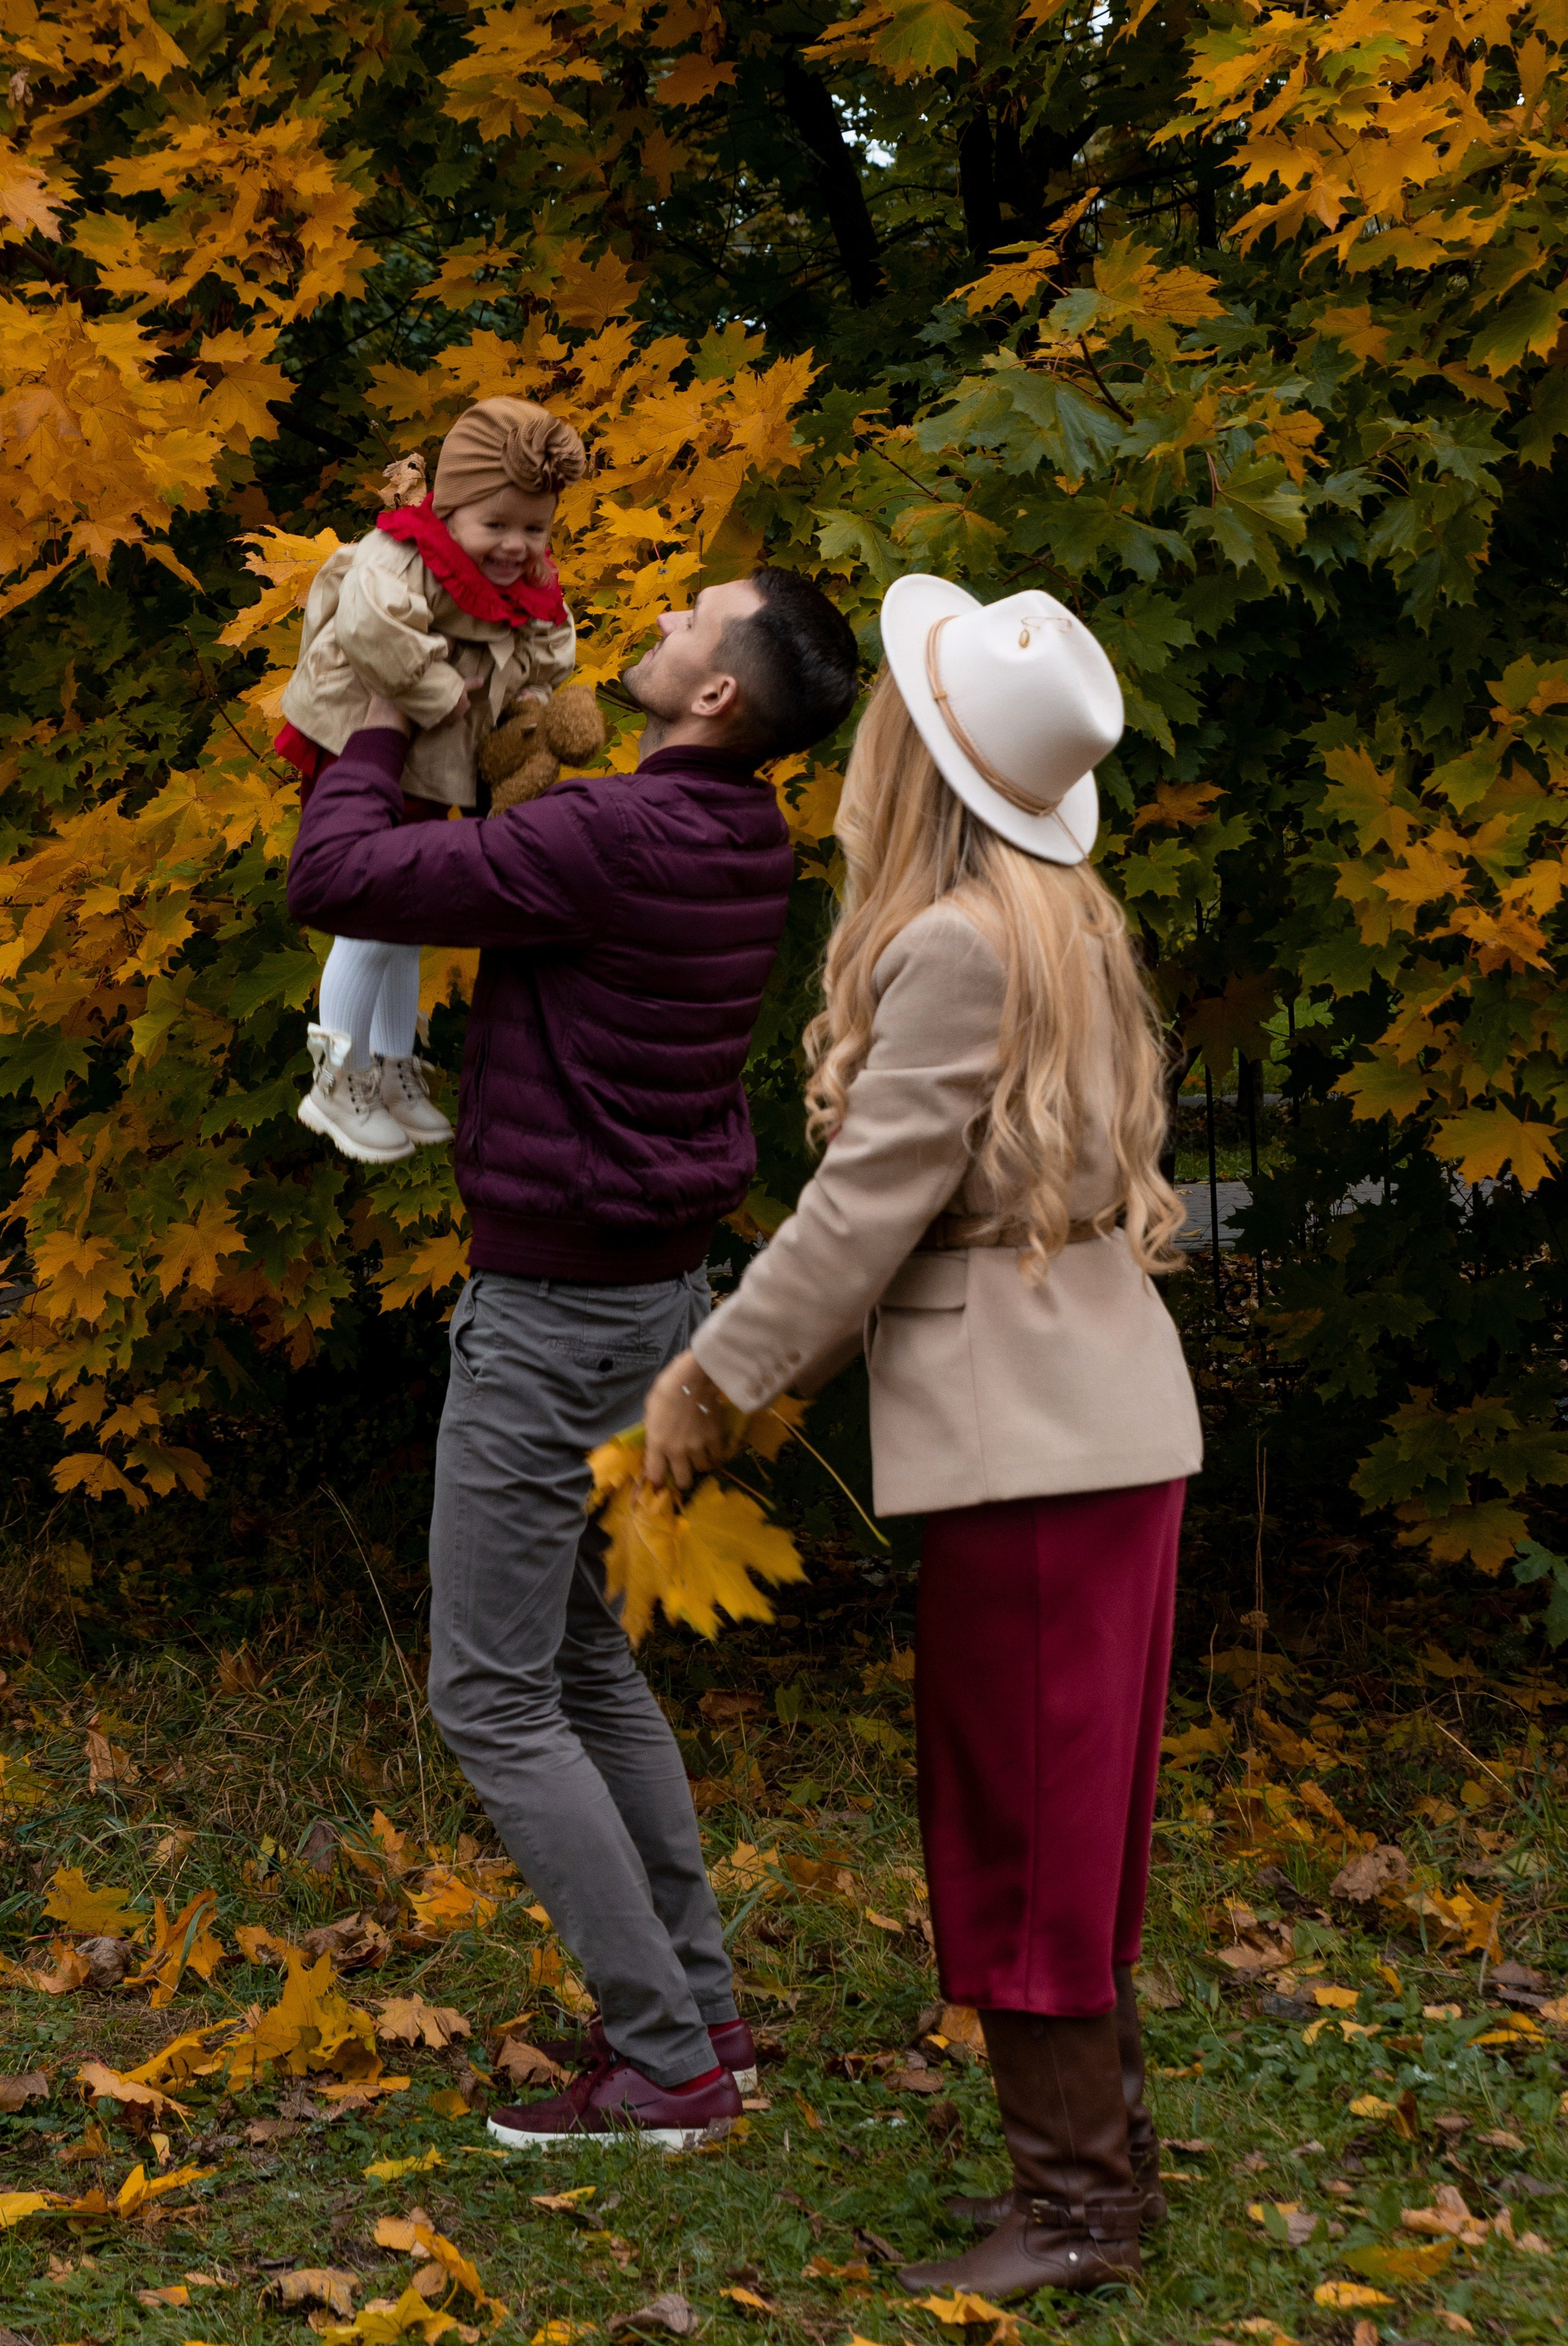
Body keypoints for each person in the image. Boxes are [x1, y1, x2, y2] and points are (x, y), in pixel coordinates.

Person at [643, 573, 1203, 2288]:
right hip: (1104, 1413)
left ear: (914, 752)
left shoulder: (960, 943)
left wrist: (713, 1378)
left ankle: (1081, 2207)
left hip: (1031, 1440)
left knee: (1025, 1813)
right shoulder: (1069, 912)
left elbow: (862, 1211)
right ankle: (1106, 2169)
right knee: (1073, 1813)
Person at [287, 564, 860, 2148]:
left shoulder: (613, 840)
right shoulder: (741, 834)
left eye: (692, 616)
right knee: (586, 1659)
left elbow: (340, 871)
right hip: (656, 1297)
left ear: (720, 694)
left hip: (554, 1317)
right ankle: (706, 2014)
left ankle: (664, 2058)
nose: (663, 614)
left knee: (488, 1688)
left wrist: (373, 712)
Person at [278, 396, 594, 1164]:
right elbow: (371, 628)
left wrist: (530, 704)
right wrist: (441, 693)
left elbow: (550, 641)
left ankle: (389, 1064)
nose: (518, 545)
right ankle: (338, 1075)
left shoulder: (526, 576)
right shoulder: (405, 554)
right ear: (449, 506)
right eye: (498, 525)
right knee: (374, 910)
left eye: (536, 527)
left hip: (437, 755)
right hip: (365, 740)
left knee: (409, 907)